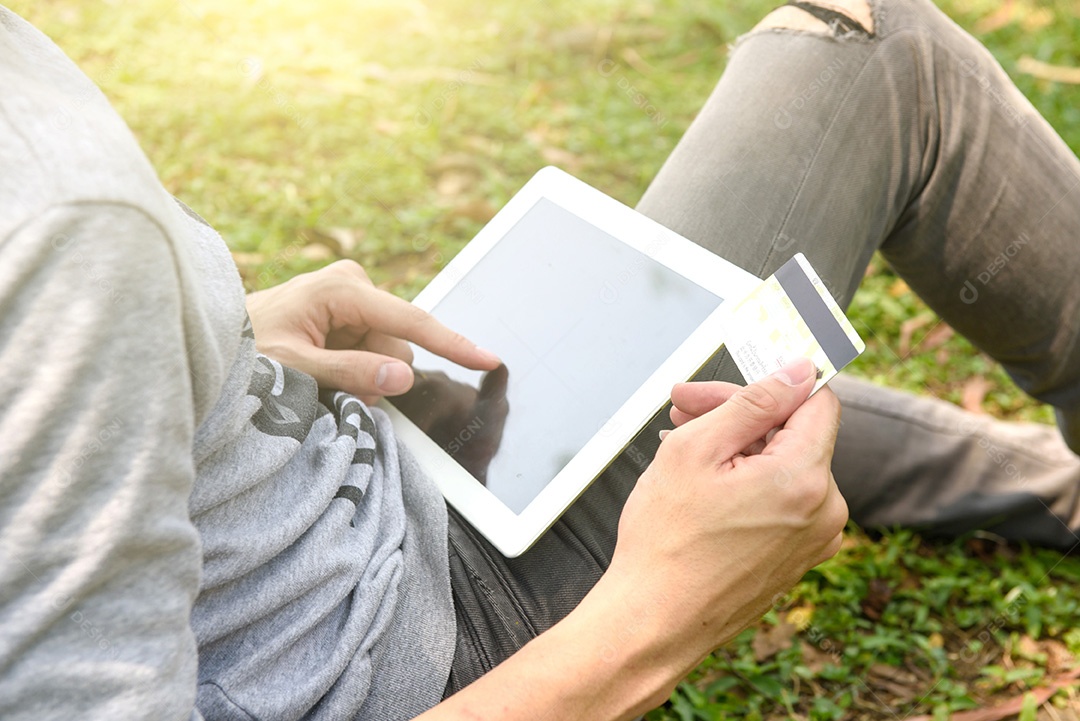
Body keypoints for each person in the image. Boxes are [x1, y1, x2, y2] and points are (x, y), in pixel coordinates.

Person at [0, 0, 1077, 718]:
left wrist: (202, 352)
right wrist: (649, 618)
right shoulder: (56, 217)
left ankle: (1050, 486)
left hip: (369, 480)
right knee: (876, 59)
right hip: (422, 634)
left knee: (692, 367)